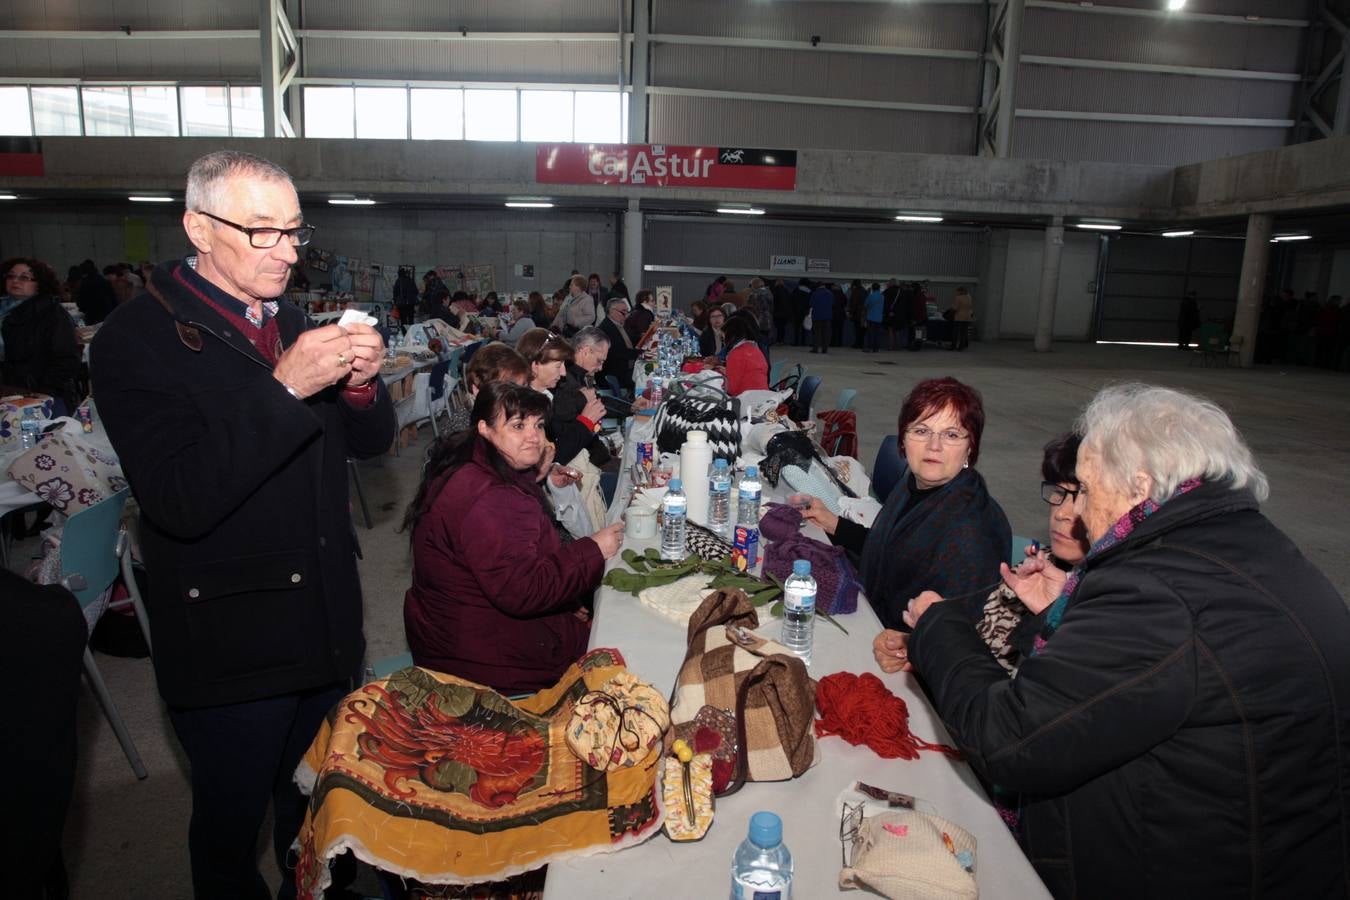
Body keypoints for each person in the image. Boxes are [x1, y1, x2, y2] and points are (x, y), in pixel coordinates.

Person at [904, 384, 1350, 900]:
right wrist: (1057, 613)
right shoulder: (1247, 545)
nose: (1077, 514)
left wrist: (940, 625)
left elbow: (1011, 739)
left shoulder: (1153, 590)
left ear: (1138, 487)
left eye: (1088, 490)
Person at [90, 150, 396, 900]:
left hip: (323, 617)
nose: (287, 251)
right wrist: (286, 386)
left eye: (294, 231)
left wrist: (360, 389)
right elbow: (179, 498)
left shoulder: (289, 318)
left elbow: (369, 446)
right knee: (231, 836)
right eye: (261, 231)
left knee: (322, 820)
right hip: (232, 641)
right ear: (197, 227)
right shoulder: (136, 339)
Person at [403, 382, 624, 695]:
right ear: (484, 428)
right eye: (518, 425)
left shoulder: (468, 465)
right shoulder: (493, 498)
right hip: (482, 660)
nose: (534, 436)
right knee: (620, 652)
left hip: (449, 631)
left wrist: (534, 480)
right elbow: (524, 590)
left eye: (538, 425)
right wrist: (594, 549)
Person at [793, 377, 1010, 630]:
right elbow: (890, 549)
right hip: (875, 621)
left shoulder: (974, 531)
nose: (934, 446)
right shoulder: (913, 486)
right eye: (921, 431)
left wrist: (908, 644)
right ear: (903, 440)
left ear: (970, 448)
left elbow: (963, 635)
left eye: (951, 434)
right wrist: (833, 523)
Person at [872, 432, 1089, 677]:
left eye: (1084, 496)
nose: (1063, 513)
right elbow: (978, 644)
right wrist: (913, 644)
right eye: (1058, 493)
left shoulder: (1107, 609)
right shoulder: (1040, 564)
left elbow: (1017, 698)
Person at [1, 256, 82, 414]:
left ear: (40, 284)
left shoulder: (52, 313)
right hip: (9, 395)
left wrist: (44, 390)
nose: (15, 281)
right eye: (11, 276)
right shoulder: (4, 312)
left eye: (24, 277)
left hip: (43, 397)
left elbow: (67, 359)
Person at [444, 341, 530, 434]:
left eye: (524, 388)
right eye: (510, 391)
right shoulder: (465, 433)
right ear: (477, 391)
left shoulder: (500, 414)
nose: (522, 397)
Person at [722, 315, 769, 396]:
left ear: (731, 335)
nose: (723, 340)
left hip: (747, 401)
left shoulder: (736, 353)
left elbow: (730, 389)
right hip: (764, 398)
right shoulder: (754, 348)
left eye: (723, 337)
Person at [598, 298, 637, 392]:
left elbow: (628, 340)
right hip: (616, 374)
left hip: (622, 369)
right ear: (612, 311)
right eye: (623, 312)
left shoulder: (616, 324)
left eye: (627, 312)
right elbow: (619, 352)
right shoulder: (607, 328)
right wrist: (642, 353)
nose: (626, 315)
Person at [74, 259, 115, 325]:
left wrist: (82, 308)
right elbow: (112, 296)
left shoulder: (85, 283)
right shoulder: (103, 280)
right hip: (106, 310)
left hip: (91, 313)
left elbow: (81, 299)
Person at [809, 280, 834, 354]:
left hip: (817, 316)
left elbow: (811, 304)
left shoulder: (815, 293)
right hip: (827, 317)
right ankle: (825, 349)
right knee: (826, 334)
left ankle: (815, 349)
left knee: (817, 334)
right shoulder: (830, 293)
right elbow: (833, 303)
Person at [392, 267, 419, 333]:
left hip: (402, 304)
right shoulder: (410, 280)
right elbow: (416, 291)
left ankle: (405, 335)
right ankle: (412, 333)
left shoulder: (398, 281)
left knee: (403, 320)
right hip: (410, 304)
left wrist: (395, 302)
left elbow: (395, 293)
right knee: (411, 320)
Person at [863, 282, 885, 353]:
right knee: (877, 334)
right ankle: (876, 348)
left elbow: (865, 305)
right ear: (879, 288)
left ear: (872, 288)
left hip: (871, 317)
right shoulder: (882, 297)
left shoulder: (871, 296)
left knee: (870, 333)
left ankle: (869, 347)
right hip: (879, 318)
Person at [950, 286, 974, 350]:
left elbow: (955, 308)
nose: (956, 293)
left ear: (960, 291)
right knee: (963, 333)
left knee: (956, 332)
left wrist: (952, 307)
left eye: (957, 291)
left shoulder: (958, 298)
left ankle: (953, 346)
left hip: (959, 317)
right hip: (967, 317)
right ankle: (961, 347)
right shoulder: (969, 297)